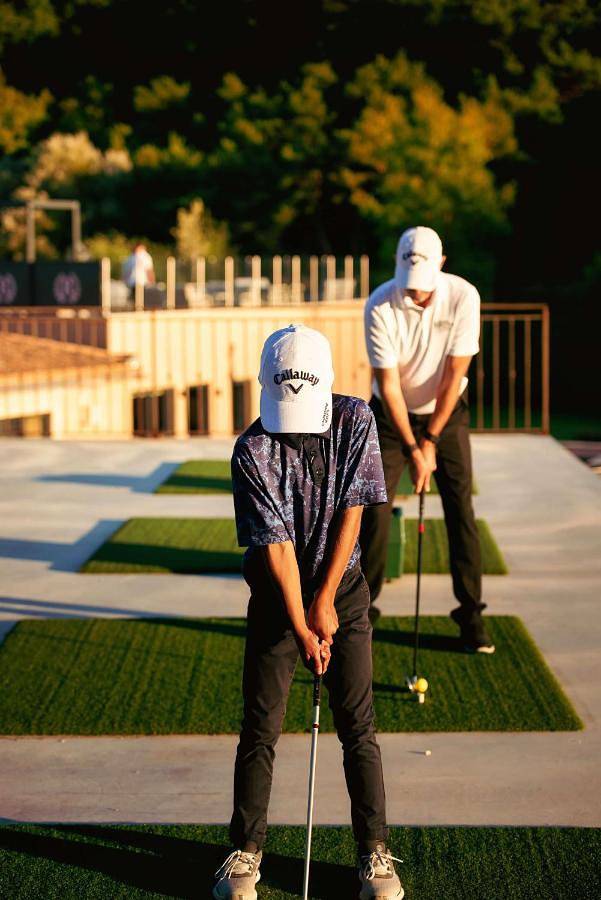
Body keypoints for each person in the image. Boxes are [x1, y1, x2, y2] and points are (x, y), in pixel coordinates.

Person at [213, 324, 404, 900]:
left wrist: (324, 603)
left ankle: (374, 854)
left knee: (358, 726)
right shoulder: (251, 451)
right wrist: (300, 623)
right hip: (276, 598)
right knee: (260, 727)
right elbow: (275, 549)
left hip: (342, 588)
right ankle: (245, 853)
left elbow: (354, 510)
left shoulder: (356, 420)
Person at [359, 226, 494, 653]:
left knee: (460, 509)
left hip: (446, 413)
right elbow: (390, 386)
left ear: (441, 264)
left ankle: (470, 614)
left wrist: (432, 438)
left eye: (422, 284)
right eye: (408, 283)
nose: (414, 294)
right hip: (389, 416)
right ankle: (362, 609)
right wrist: (415, 449)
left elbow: (455, 375)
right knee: (372, 511)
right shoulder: (379, 303)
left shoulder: (464, 297)